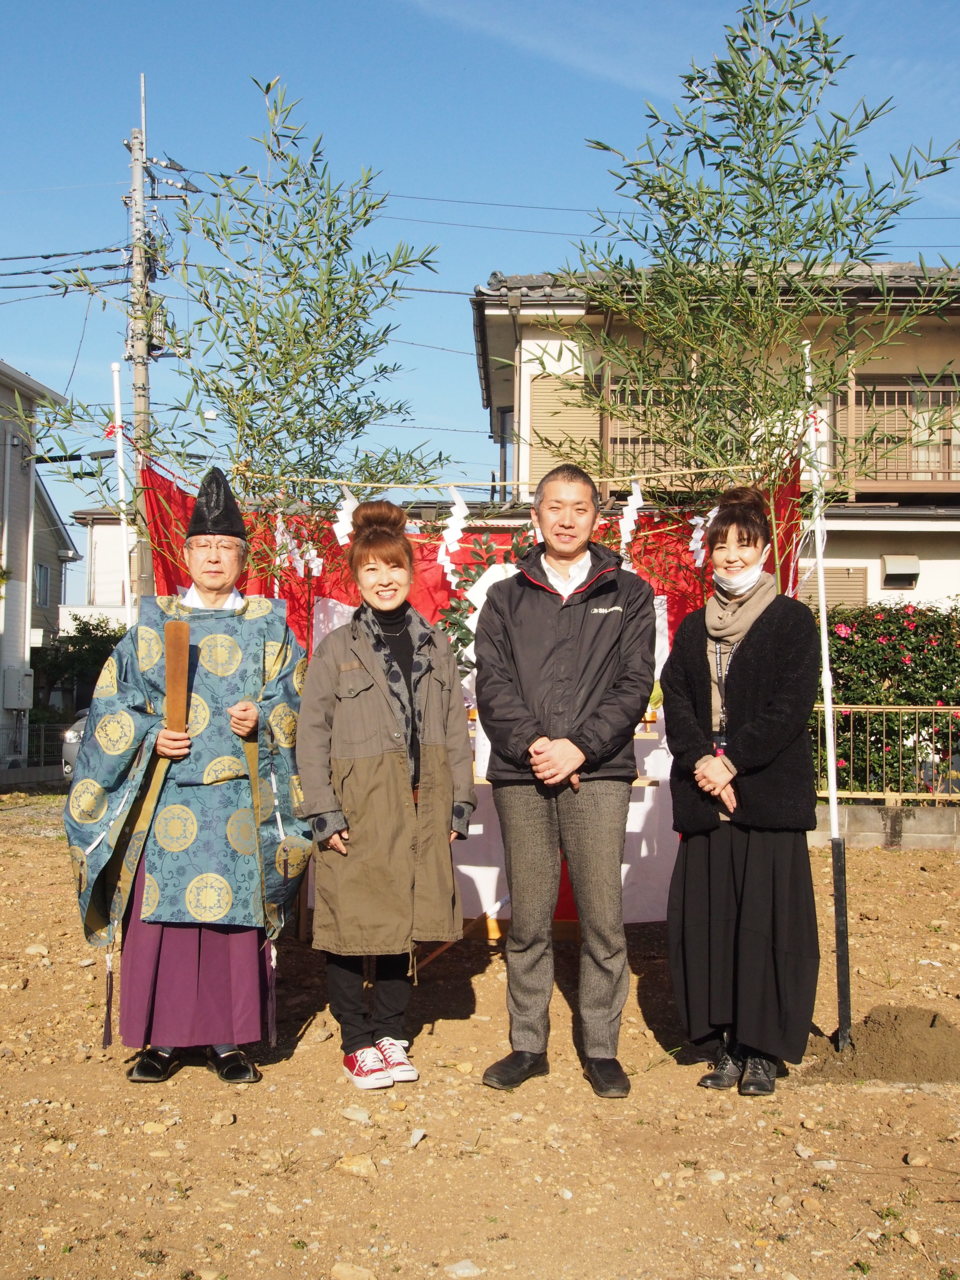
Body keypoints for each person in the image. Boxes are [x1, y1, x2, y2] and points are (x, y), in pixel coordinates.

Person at [63, 468, 312, 1084]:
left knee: (234, 922)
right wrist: (150, 734)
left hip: (240, 797)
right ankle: (163, 1039)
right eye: (203, 548)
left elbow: (301, 700)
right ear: (186, 554)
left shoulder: (269, 626)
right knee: (163, 922)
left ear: (243, 557)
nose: (214, 558)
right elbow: (110, 705)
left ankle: (231, 1039)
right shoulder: (153, 624)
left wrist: (269, 714)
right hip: (164, 793)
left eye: (226, 548)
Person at [474, 464, 655, 1098]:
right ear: (537, 516)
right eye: (556, 506)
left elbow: (634, 685)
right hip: (522, 776)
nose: (567, 518)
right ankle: (528, 1044)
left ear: (597, 518)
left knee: (603, 915)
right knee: (527, 915)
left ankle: (601, 1046)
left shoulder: (629, 593)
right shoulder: (505, 596)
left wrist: (579, 747)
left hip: (598, 774)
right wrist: (536, 747)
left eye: (580, 507)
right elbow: (491, 688)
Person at [296, 501, 476, 1090]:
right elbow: (311, 735)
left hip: (422, 805)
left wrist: (458, 801)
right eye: (371, 570)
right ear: (356, 578)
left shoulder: (435, 646)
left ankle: (393, 1034)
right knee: (351, 926)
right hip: (358, 805)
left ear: (410, 572)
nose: (384, 579)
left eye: (394, 568)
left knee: (406, 920)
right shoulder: (335, 650)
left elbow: (454, 728)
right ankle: (356, 1040)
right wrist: (322, 808)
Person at [660, 486, 821, 1097]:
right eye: (720, 544)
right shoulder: (696, 624)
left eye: (743, 544)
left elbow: (789, 707)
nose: (730, 556)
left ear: (764, 551)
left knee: (767, 921)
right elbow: (676, 697)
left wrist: (732, 763)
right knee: (714, 919)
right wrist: (703, 760)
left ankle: (764, 1049)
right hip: (706, 791)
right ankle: (724, 1042)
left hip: (766, 791)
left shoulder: (791, 620)